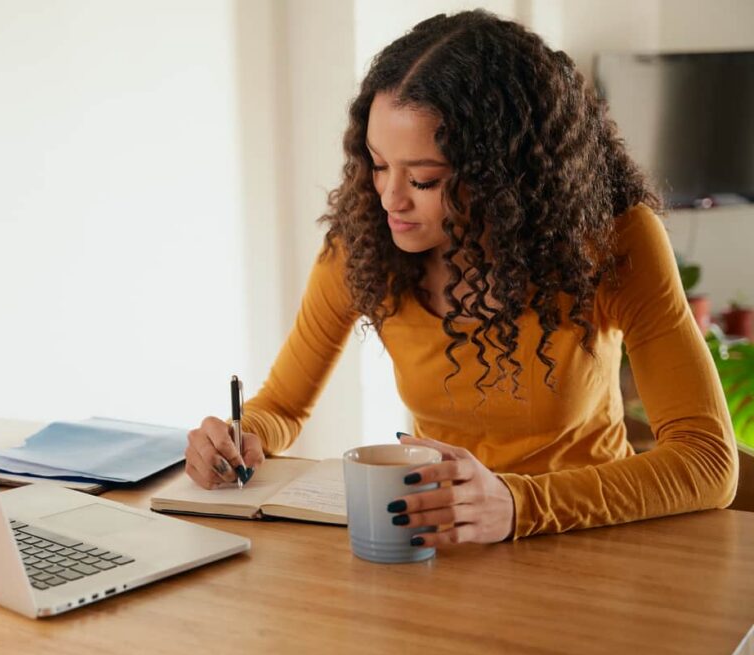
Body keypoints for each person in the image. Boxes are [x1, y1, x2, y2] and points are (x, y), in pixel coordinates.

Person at [183, 10, 738, 545]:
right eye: (377, 164)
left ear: (505, 178)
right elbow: (280, 406)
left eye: (423, 179)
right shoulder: (365, 247)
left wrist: (519, 504)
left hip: (592, 538)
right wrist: (241, 437)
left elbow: (707, 459)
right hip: (447, 542)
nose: (388, 199)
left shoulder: (612, 242)